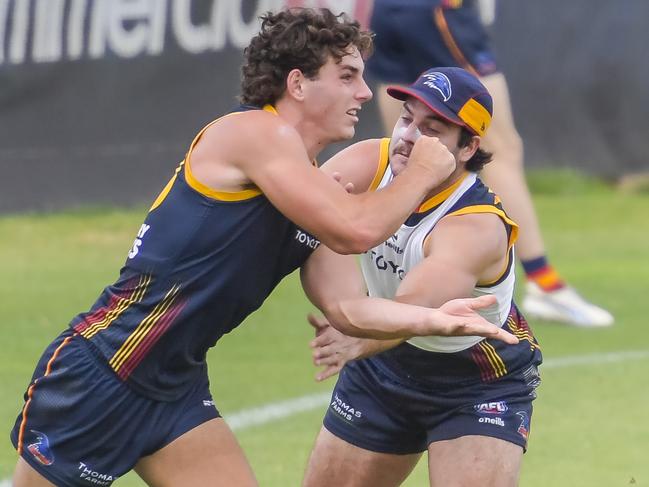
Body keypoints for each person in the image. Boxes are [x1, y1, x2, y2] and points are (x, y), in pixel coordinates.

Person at [9, 9, 519, 487]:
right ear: (297, 83)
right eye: (347, 76)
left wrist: (431, 320)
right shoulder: (253, 133)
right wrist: (426, 170)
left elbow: (345, 306)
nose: (365, 93)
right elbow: (355, 231)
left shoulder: (314, 186)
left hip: (175, 388)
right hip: (106, 370)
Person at [300, 67, 542, 487]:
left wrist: (354, 330)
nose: (409, 137)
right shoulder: (371, 161)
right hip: (381, 365)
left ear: (467, 148)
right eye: (406, 118)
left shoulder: (475, 226)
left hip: (476, 381)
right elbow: (299, 217)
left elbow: (413, 310)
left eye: (432, 130)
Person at [365, 0, 613, 327]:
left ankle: (404, 278)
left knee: (405, 143)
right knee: (497, 148)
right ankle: (544, 283)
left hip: (388, 9)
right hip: (439, 12)